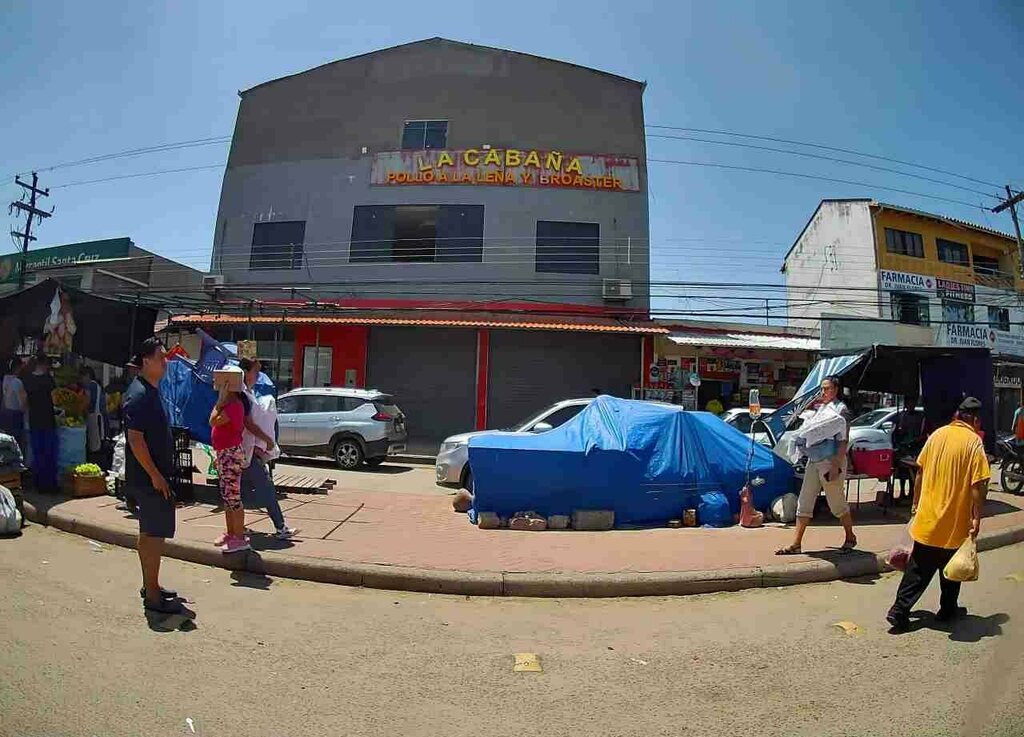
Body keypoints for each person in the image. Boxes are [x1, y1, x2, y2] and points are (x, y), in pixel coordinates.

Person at [886, 397, 990, 632]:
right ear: (975, 420)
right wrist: (976, 517)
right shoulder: (974, 443)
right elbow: (977, 486)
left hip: (928, 516)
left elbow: (920, 472)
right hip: (954, 519)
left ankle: (902, 610)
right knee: (951, 566)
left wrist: (915, 503)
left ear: (956, 415)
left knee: (919, 568)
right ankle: (942, 609)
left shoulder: (937, 435)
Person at [123, 337, 183, 614]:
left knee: (150, 533)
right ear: (146, 361)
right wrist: (156, 475)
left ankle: (152, 585)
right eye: (161, 357)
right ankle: (153, 595)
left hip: (154, 477)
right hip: (150, 480)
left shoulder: (149, 389)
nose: (166, 361)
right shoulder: (139, 394)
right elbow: (135, 440)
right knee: (153, 536)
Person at [776, 375, 857, 555]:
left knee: (836, 503)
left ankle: (850, 537)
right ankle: (796, 544)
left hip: (831, 461)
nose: (824, 392)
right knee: (804, 501)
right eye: (822, 389)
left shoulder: (840, 410)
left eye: (827, 388)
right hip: (815, 460)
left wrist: (836, 466)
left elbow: (843, 441)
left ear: (835, 389)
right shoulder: (821, 410)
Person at [238, 358, 298, 540]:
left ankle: (238, 527)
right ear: (245, 373)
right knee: (265, 489)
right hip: (248, 450)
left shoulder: (247, 393)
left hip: (247, 451)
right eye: (255, 372)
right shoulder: (242, 395)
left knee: (240, 492)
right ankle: (280, 527)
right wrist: (266, 440)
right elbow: (248, 424)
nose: (257, 376)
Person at [209, 368, 250, 554]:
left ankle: (240, 538)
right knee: (226, 495)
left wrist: (219, 401)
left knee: (233, 496)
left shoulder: (234, 405)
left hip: (230, 453)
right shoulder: (229, 404)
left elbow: (213, 421)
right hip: (224, 453)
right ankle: (231, 533)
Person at [23, 355, 59, 493]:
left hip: (34, 420)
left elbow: (25, 402)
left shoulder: (27, 380)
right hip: (48, 420)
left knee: (38, 454)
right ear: (45, 365)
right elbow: (55, 398)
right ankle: (50, 484)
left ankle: (39, 484)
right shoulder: (48, 379)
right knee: (50, 454)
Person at [1, 357, 28, 453]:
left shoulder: (5, 379)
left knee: (7, 442)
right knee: (17, 443)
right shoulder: (18, 382)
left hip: (5, 413)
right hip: (15, 415)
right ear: (18, 368)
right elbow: (22, 403)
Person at [80, 366, 106, 456]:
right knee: (96, 443)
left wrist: (82, 410)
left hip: (94, 417)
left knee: (94, 444)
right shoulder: (96, 385)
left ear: (87, 375)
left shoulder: (91, 385)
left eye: (82, 377)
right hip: (96, 417)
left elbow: (89, 401)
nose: (81, 380)